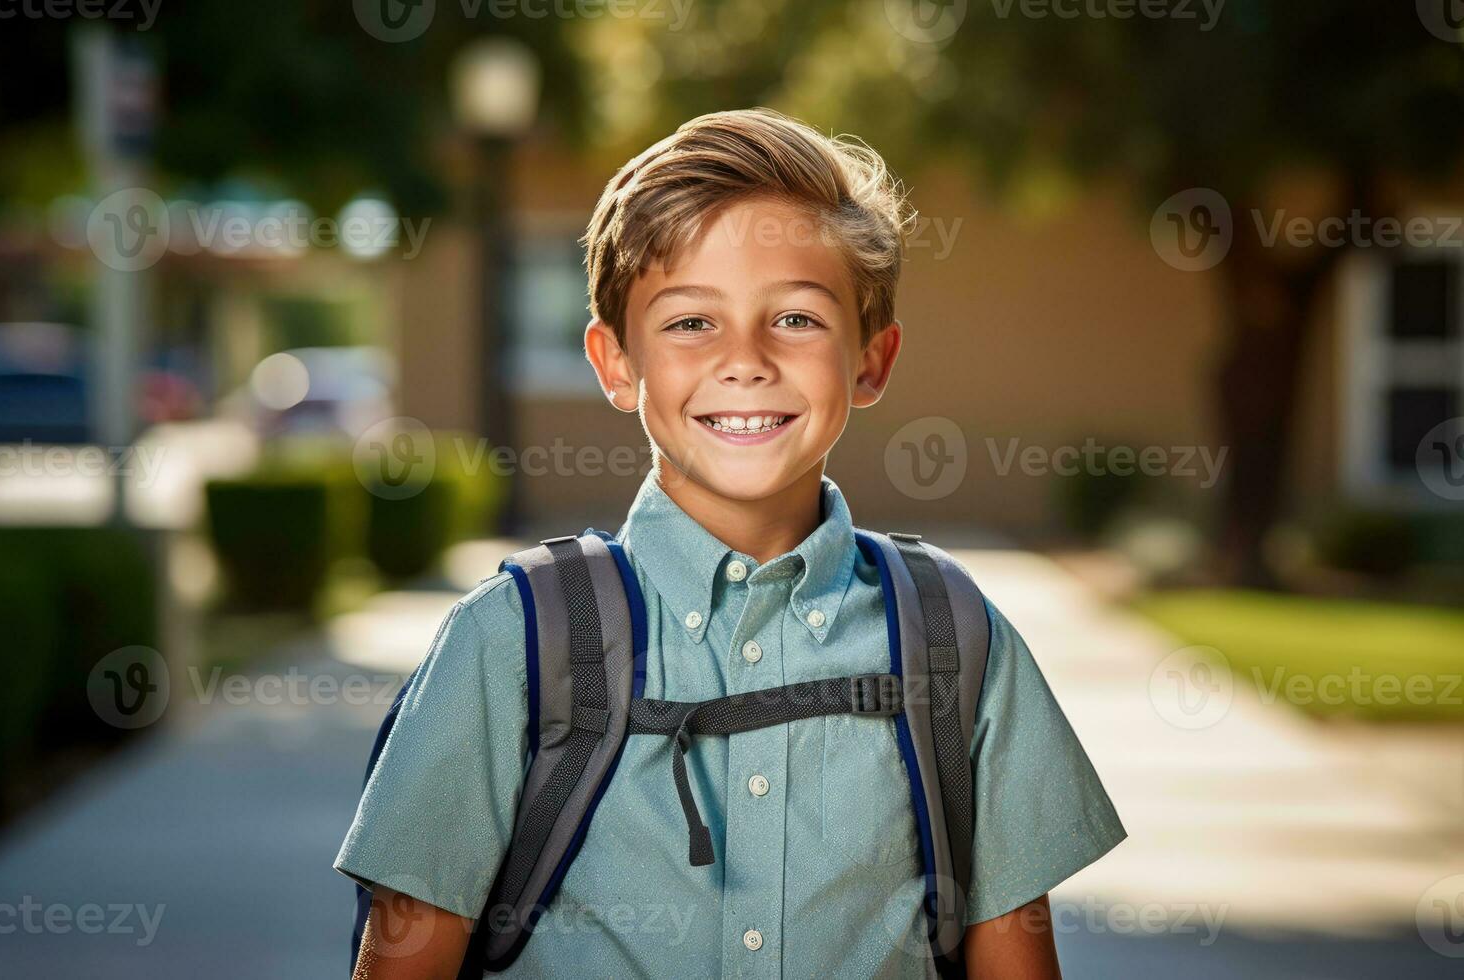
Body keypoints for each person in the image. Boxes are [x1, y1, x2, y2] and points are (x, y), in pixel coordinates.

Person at [335, 107, 1126, 979]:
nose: (744, 359)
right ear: (613, 362)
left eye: (796, 319)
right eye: (689, 322)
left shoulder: (957, 641)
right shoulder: (509, 642)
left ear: (872, 359)